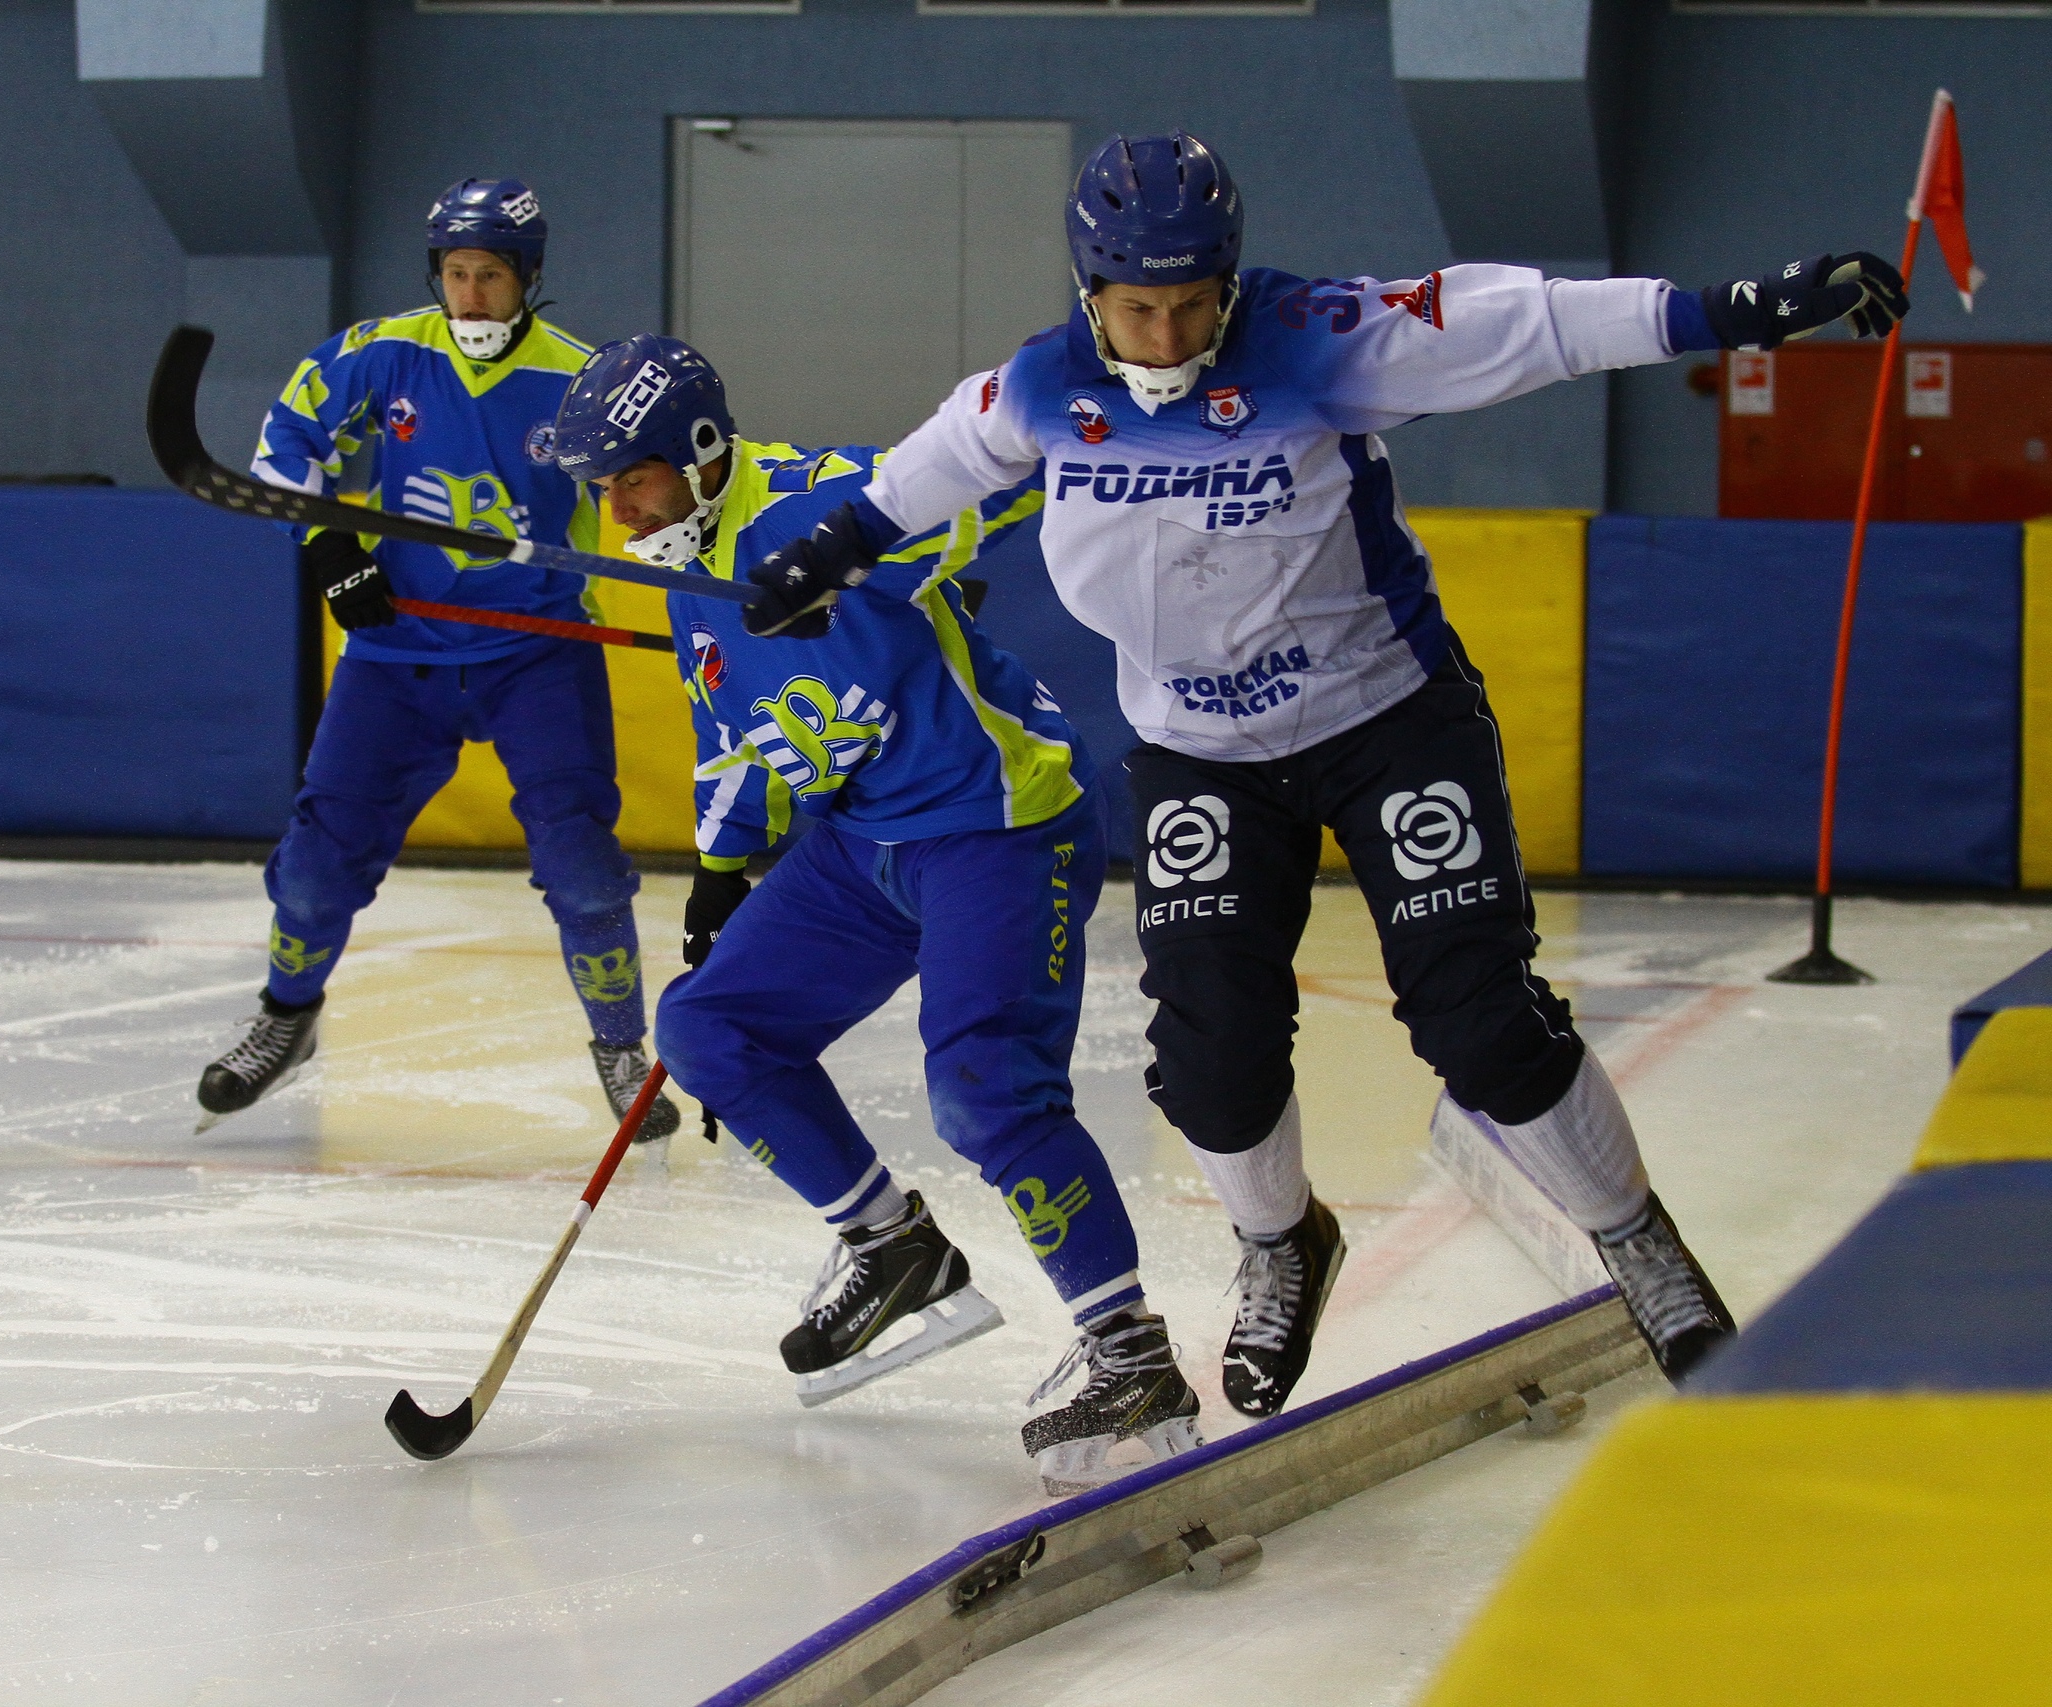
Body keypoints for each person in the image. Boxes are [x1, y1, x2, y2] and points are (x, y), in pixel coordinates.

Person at [745, 131, 1913, 1408]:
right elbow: (922, 475)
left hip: (1385, 721)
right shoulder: (1037, 388)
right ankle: (1280, 1242)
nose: (1171, 331)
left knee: (1483, 1025)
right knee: (1207, 1060)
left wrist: (1731, 311)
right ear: (1090, 293)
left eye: (1195, 302)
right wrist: (824, 552)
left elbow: (1529, 324)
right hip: (1201, 755)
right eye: (1139, 307)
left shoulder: (1315, 338)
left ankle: (1638, 1242)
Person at [551, 334, 1197, 1494]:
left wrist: (842, 560)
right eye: (598, 490)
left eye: (629, 478)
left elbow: (972, 499)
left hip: (995, 825)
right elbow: (737, 736)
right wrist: (719, 866)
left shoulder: (808, 497)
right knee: (706, 1029)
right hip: (860, 849)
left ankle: (1129, 1354)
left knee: (983, 1089)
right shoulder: (684, 576)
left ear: (700, 458)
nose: (614, 508)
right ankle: (892, 1249)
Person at [197, 178, 678, 1143]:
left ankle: (621, 1046)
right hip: (394, 652)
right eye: (455, 274)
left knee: (583, 866)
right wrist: (331, 548)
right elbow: (288, 440)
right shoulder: (384, 353)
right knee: (314, 866)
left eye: (489, 276)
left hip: (538, 652)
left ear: (528, 280)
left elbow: (667, 487)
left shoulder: (583, 377)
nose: (469, 296)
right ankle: (287, 1015)